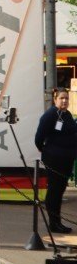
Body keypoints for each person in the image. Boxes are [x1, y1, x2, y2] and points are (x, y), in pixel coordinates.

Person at [34, 88, 77, 234]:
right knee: (54, 190)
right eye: (61, 98)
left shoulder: (67, 115)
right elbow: (39, 137)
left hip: (67, 159)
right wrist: (44, 149)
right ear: (55, 99)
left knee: (60, 190)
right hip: (54, 159)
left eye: (66, 98)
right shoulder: (50, 115)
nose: (64, 101)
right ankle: (53, 222)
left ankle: (57, 221)